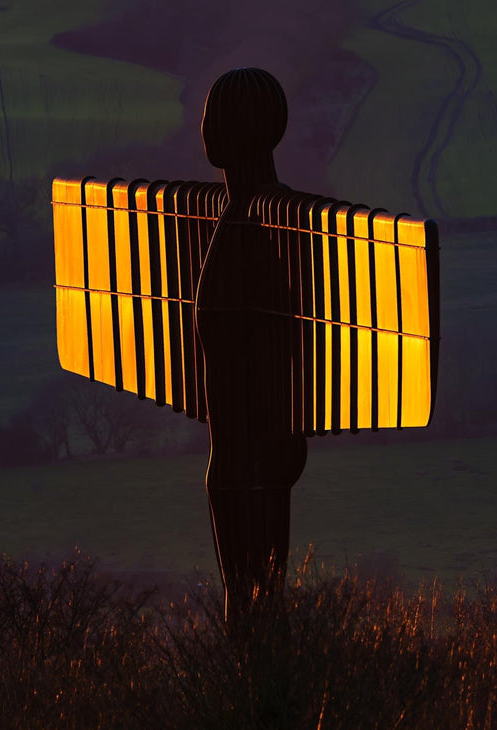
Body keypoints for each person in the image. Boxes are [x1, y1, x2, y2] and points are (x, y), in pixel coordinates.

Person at [195, 68, 307, 621]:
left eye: (214, 116)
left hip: (260, 455)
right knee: (238, 604)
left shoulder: (273, 222)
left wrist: (288, 432)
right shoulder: (228, 217)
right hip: (228, 458)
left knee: (260, 605)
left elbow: (285, 338)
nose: (204, 129)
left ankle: (263, 697)